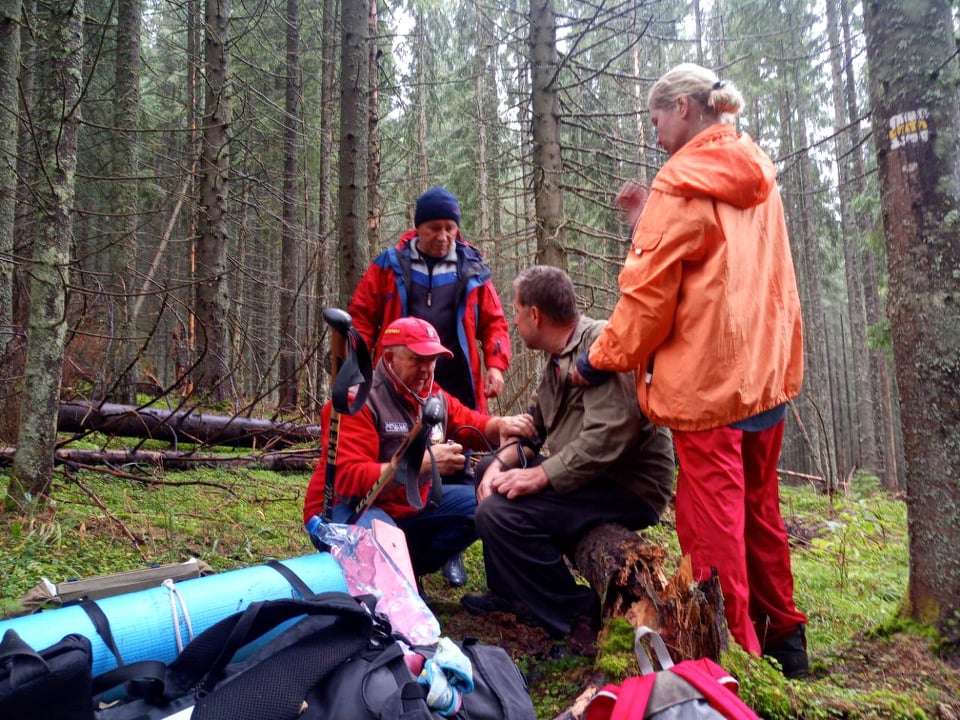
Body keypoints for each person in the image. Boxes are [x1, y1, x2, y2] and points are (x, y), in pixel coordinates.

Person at [572, 63, 809, 677]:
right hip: (763, 376)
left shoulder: (681, 182)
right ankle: (785, 640)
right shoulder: (755, 169)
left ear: (682, 107)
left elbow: (647, 304)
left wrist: (595, 358)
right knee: (760, 511)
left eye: (655, 119)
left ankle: (734, 666)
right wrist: (644, 220)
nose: (653, 135)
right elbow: (717, 266)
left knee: (711, 529)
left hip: (710, 390)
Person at [461, 266, 675, 657]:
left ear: (536, 316)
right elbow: (536, 429)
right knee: (486, 474)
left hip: (627, 484)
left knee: (498, 513)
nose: (514, 320)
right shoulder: (555, 360)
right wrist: (496, 465)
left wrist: (540, 475)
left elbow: (610, 435)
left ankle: (580, 614)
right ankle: (509, 593)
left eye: (518, 312)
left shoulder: (599, 345)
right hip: (590, 475)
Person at [348, 185, 512, 586]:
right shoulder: (390, 264)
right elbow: (363, 316)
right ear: (418, 228)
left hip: (456, 376)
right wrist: (357, 367)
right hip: (400, 377)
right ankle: (395, 535)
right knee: (409, 451)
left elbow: (494, 323)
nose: (443, 236)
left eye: (450, 228)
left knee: (455, 458)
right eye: (435, 228)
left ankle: (449, 550)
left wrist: (496, 365)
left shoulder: (472, 266)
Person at [303, 316, 535, 580]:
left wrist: (500, 425)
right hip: (347, 510)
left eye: (432, 360)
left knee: (485, 505)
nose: (427, 369)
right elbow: (348, 480)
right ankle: (391, 579)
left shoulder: (432, 396)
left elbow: (472, 422)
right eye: (417, 359)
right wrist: (421, 463)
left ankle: (407, 570)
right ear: (390, 359)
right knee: (391, 595)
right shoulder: (359, 402)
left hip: (406, 510)